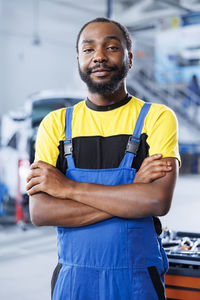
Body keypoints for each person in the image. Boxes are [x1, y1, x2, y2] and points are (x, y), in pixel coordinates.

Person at [26, 17, 180, 300]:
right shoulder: (55, 124)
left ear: (129, 59)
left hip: (137, 280)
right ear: (78, 60)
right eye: (88, 50)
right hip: (74, 281)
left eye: (111, 47)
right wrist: (132, 194)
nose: (99, 56)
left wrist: (68, 189)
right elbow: (41, 212)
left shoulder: (157, 118)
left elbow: (157, 201)